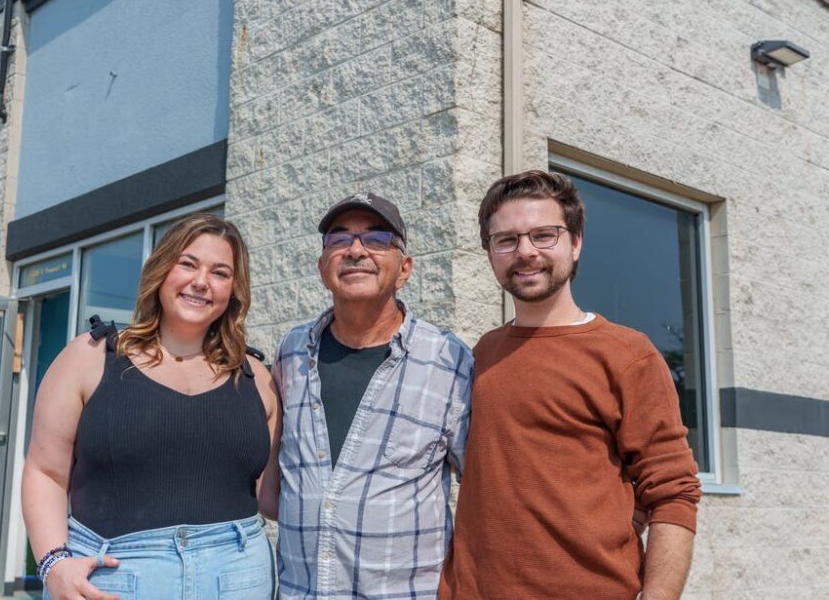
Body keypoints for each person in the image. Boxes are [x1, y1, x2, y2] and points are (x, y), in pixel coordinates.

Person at [440, 170, 702, 599]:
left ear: (576, 243)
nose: (525, 252)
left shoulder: (626, 354)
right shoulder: (482, 353)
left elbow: (673, 493)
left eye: (544, 235)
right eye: (505, 240)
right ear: (490, 253)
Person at [22, 213, 282, 600]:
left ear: (234, 290)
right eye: (188, 264)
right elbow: (45, 473)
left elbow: (274, 496)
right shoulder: (91, 357)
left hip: (238, 577)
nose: (201, 282)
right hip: (113, 578)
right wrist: (53, 564)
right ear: (161, 270)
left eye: (220, 273)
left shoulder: (257, 377)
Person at [264, 192, 474, 599]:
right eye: (339, 240)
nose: (356, 250)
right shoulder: (291, 351)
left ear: (405, 269)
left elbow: (481, 490)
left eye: (376, 239)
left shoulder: (448, 361)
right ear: (322, 266)